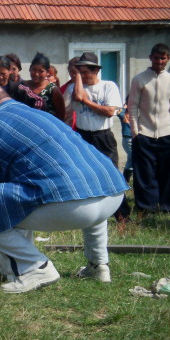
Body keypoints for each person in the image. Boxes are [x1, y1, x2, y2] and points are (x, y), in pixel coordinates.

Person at [0, 85, 128, 293]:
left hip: (72, 206)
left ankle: (35, 268)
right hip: (112, 193)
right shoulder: (40, 115)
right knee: (90, 186)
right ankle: (98, 265)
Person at [72, 52, 131, 222]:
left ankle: (122, 215)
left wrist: (87, 102)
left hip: (103, 136)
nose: (82, 76)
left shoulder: (108, 86)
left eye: (85, 72)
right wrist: (77, 78)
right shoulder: (76, 88)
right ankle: (91, 215)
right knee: (86, 176)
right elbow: (76, 97)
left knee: (112, 175)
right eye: (79, 72)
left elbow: (109, 112)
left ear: (95, 71)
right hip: (84, 135)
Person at [128, 43, 170, 212]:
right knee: (144, 174)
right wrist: (136, 132)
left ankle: (167, 206)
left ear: (168, 59)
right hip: (144, 133)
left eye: (163, 58)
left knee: (168, 173)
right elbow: (133, 106)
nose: (159, 61)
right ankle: (145, 206)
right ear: (150, 58)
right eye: (156, 58)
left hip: (167, 134)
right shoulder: (139, 79)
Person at [11, 53, 65, 121]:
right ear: (30, 68)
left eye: (41, 71)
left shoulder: (53, 90)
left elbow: (61, 116)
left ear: (47, 72)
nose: (36, 74)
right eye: (34, 70)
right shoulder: (22, 86)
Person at [60, 57, 80, 128]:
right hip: (66, 126)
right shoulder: (64, 88)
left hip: (80, 127)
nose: (74, 74)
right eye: (71, 71)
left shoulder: (87, 88)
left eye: (76, 72)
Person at [117, 98, 133, 183]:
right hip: (127, 139)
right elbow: (118, 112)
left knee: (131, 159)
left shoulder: (138, 113)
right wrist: (124, 106)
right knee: (132, 158)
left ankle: (125, 180)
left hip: (136, 139)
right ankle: (125, 180)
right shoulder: (123, 113)